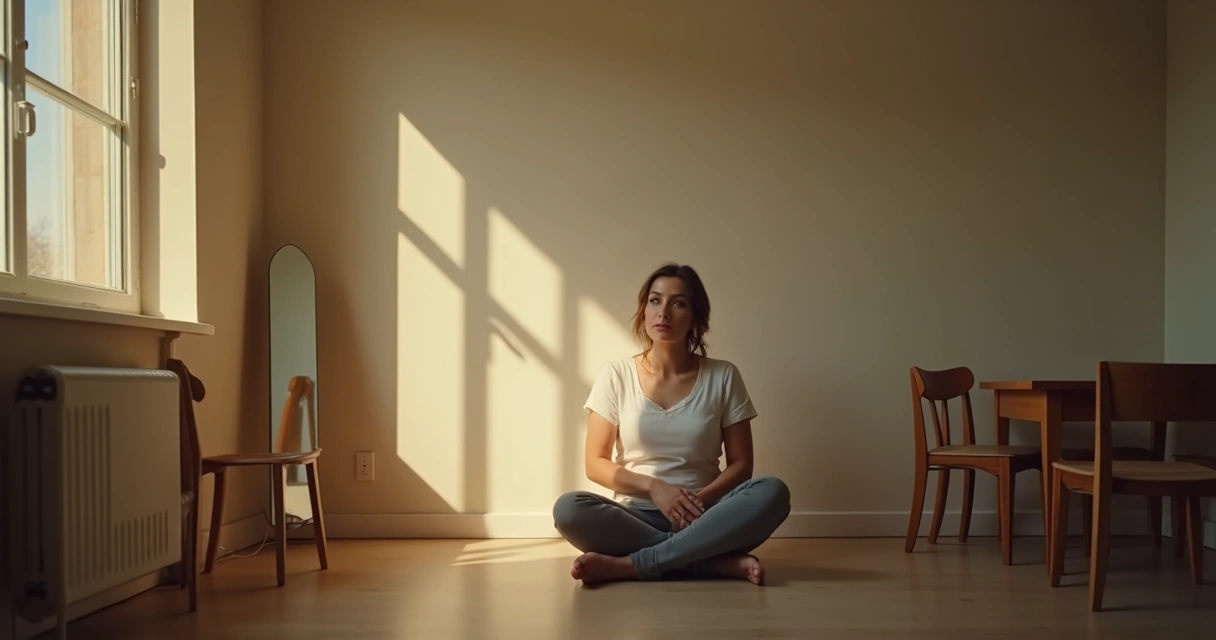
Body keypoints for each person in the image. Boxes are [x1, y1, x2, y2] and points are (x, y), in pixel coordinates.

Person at [552, 263, 790, 586]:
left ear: (695, 318)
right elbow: (595, 463)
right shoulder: (616, 375)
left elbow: (741, 464)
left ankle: (633, 565)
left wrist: (695, 503)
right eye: (655, 300)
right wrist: (656, 488)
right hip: (634, 516)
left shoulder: (724, 376)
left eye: (678, 303)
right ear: (644, 310)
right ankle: (708, 561)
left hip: (706, 515)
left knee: (773, 492)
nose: (663, 311)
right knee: (569, 509)